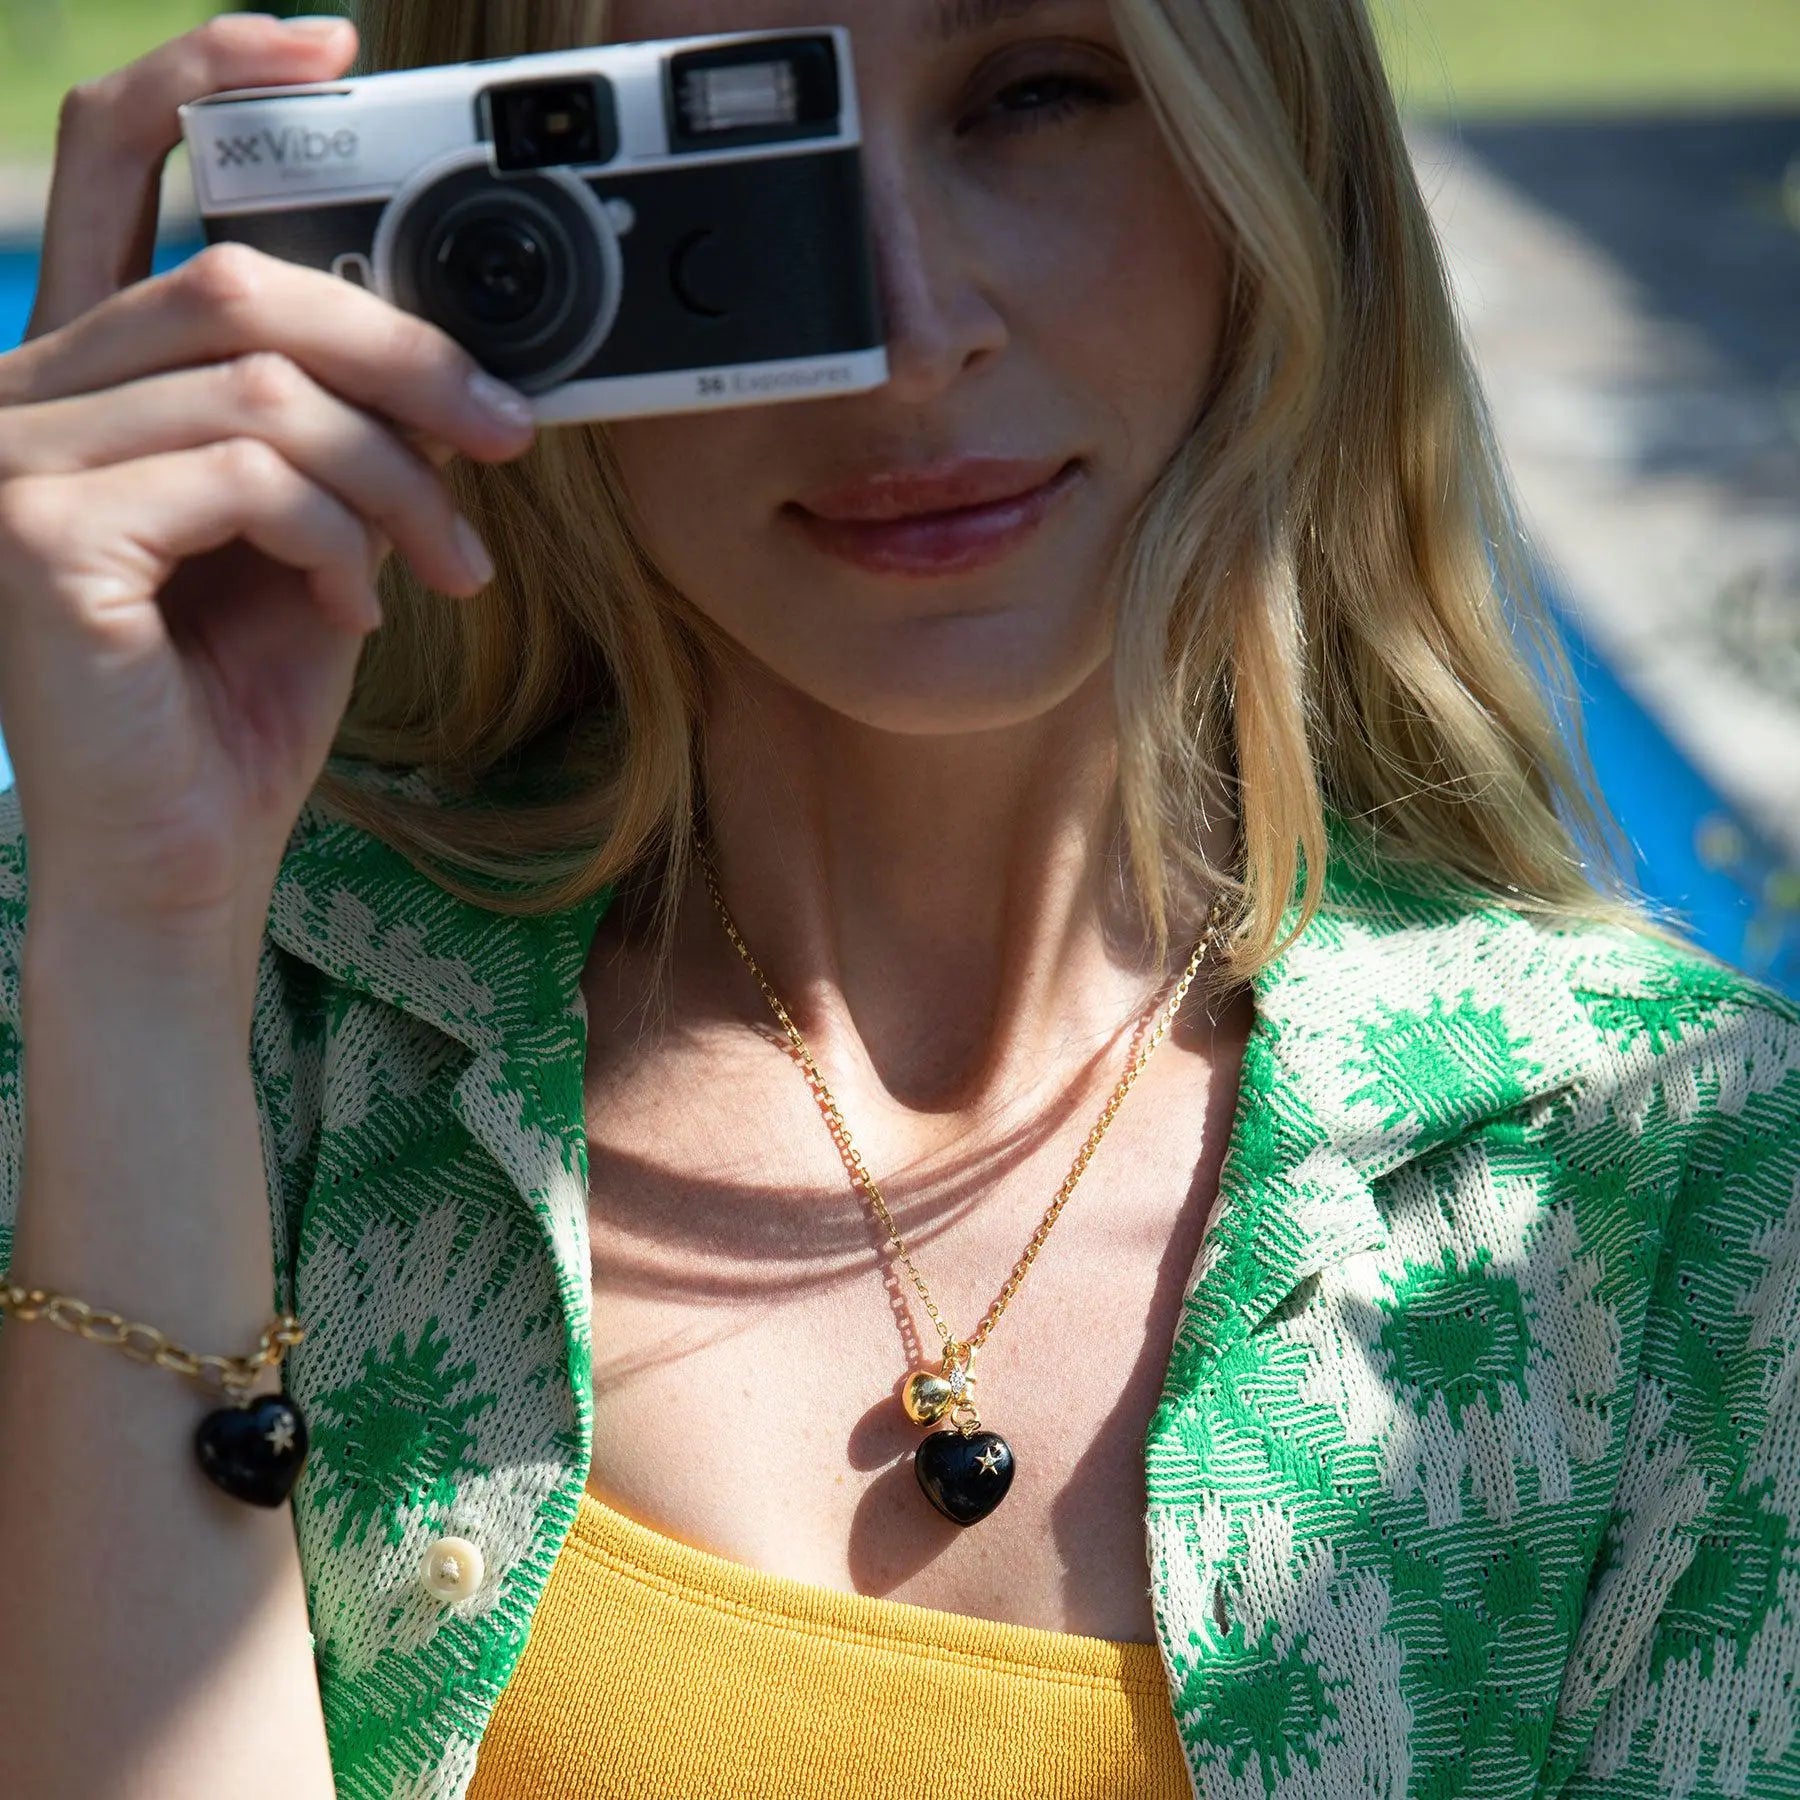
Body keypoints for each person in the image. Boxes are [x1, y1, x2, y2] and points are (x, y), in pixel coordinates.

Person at [0, 3, 1795, 1796]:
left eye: (1035, 95)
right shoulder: (125, 1005)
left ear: (1280, 153)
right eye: (728, 166)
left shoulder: (1686, 1198)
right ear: (464, 228)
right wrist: (145, 960)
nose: (911, 339)